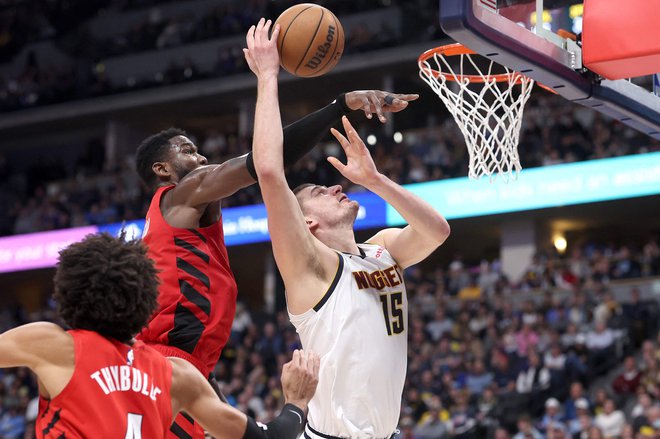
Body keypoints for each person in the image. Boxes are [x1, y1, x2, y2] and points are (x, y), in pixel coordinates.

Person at [134, 39, 417, 439]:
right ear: (163, 170)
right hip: (170, 361)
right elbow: (265, 163)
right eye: (188, 152)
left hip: (187, 365)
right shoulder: (183, 192)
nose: (200, 160)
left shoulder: (177, 222)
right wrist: (338, 106)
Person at [245, 19, 450, 438]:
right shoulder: (309, 266)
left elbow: (437, 231)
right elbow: (268, 170)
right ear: (306, 222)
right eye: (321, 190)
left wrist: (375, 180)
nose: (337, 186)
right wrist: (268, 76)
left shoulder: (381, 249)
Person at [0, 233, 319, 439]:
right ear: (147, 300)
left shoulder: (54, 345)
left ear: (69, 293)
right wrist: (296, 403)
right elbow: (270, 438)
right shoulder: (177, 375)